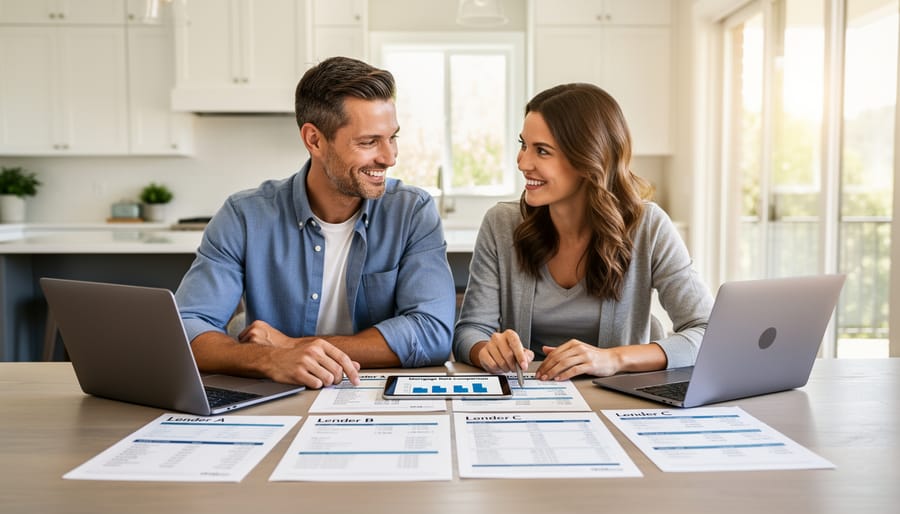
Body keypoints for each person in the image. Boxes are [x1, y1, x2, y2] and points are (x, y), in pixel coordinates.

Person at [175, 56, 457, 389]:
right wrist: (270, 358)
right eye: (369, 142)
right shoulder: (245, 216)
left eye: (392, 137)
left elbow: (432, 332)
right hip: (278, 397)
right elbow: (188, 327)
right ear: (314, 140)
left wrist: (295, 347)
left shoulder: (411, 212)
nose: (389, 157)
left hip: (372, 394)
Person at [453, 83, 713, 381]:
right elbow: (470, 331)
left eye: (542, 151)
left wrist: (613, 359)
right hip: (530, 397)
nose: (522, 162)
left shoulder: (649, 227)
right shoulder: (501, 223)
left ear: (588, 159)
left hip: (620, 401)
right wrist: (485, 349)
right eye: (523, 144)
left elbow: (707, 332)